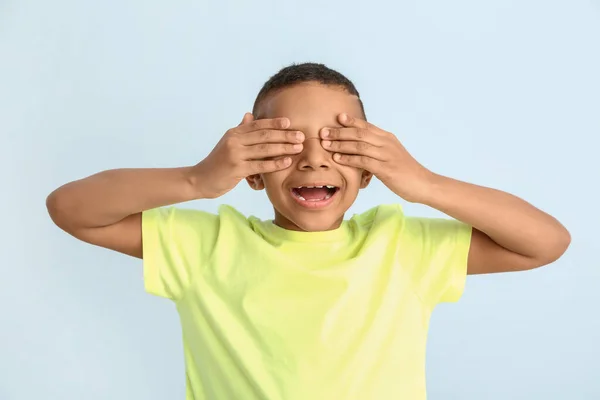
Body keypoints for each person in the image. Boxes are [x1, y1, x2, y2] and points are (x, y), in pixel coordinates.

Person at [46, 63, 571, 400]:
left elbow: (546, 241)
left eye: (340, 144)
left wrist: (423, 183)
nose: (314, 159)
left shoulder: (402, 246)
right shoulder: (206, 246)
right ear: (252, 169)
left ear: (370, 171)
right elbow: (71, 208)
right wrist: (198, 179)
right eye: (287, 144)